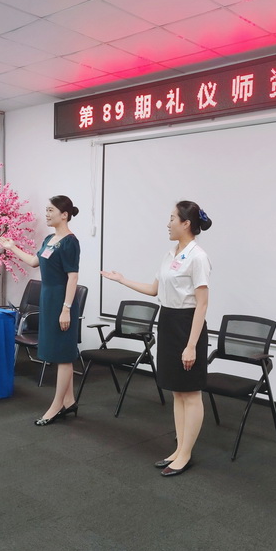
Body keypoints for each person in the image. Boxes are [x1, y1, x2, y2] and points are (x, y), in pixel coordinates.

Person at [101, 200, 212, 477]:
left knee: (191, 392)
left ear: (186, 223)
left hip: (188, 325)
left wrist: (191, 346)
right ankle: (179, 448)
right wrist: (122, 279)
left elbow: (202, 304)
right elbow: (154, 290)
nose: (168, 223)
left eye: (172, 218)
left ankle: (186, 453)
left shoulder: (198, 257)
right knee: (177, 390)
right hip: (169, 322)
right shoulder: (170, 254)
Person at [0, 195, 81, 425]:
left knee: (63, 355)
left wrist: (66, 309)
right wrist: (12, 247)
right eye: (46, 210)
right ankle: (69, 401)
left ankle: (56, 406)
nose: (46, 214)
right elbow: (35, 262)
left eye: (51, 210)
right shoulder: (50, 239)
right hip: (48, 299)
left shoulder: (70, 242)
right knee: (58, 352)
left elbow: (73, 277)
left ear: (64, 215)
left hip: (62, 301)